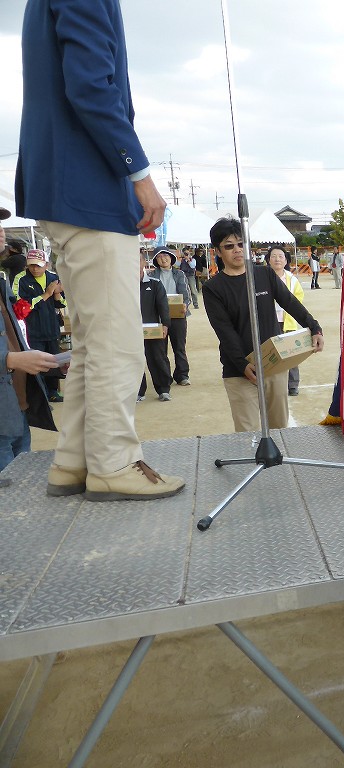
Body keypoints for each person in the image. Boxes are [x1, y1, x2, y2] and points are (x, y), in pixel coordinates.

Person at [16, 0, 183, 501]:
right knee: (115, 341)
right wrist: (139, 172)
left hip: (62, 183)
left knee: (92, 340)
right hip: (90, 186)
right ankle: (113, 462)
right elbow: (91, 85)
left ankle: (75, 460)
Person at [203, 218, 324, 431]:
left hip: (274, 362)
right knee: (247, 433)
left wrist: (314, 327)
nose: (237, 250)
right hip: (239, 370)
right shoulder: (213, 288)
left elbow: (289, 302)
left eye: (241, 243)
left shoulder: (264, 274)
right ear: (218, 252)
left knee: (279, 429)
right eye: (229, 246)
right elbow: (224, 330)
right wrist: (242, 364)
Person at [1, 276, 59, 481]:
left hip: (18, 401)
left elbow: (15, 337)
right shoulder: (19, 281)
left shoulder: (3, 285)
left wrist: (48, 362)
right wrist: (9, 360)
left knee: (23, 479)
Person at [17, 250, 65, 402]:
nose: (35, 269)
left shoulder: (53, 278)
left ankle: (53, 391)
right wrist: (47, 294)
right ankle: (40, 396)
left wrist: (57, 294)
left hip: (51, 328)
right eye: (31, 265)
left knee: (53, 361)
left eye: (38, 265)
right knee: (36, 364)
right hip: (33, 330)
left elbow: (63, 303)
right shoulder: (21, 279)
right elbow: (21, 306)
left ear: (46, 265)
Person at [150, 247, 192, 386]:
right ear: (156, 260)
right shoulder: (152, 275)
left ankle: (182, 375)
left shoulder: (179, 274)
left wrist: (185, 304)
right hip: (159, 317)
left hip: (177, 316)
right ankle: (165, 378)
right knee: (160, 350)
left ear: (171, 258)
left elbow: (185, 294)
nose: (163, 258)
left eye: (166, 255)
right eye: (160, 256)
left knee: (179, 347)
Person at [267, 246, 305, 396]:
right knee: (272, 354)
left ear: (286, 260)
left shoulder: (292, 279)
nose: (277, 259)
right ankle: (274, 384)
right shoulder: (262, 278)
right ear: (268, 260)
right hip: (269, 321)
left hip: (287, 320)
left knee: (292, 354)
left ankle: (293, 385)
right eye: (273, 256)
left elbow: (298, 298)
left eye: (280, 256)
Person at [138, 254, 171, 402]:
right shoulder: (122, 286)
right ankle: (139, 391)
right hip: (131, 330)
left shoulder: (155, 284)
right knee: (134, 361)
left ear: (144, 262)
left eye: (138, 260)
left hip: (152, 329)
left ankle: (163, 389)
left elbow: (163, 306)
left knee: (158, 358)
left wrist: (165, 324)